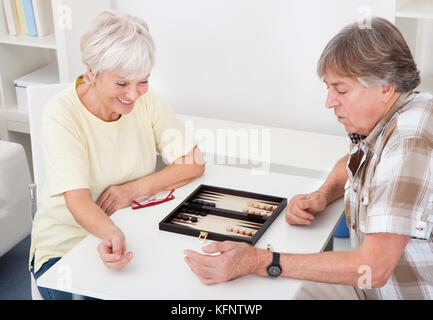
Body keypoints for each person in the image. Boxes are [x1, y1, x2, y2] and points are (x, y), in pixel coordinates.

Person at [184, 17, 433, 300]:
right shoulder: (388, 118)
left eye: (341, 90)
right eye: (328, 88)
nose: (329, 102)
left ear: (386, 86)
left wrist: (259, 261)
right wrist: (323, 194)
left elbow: (373, 267)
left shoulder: (409, 137)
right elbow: (354, 162)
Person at [29, 10, 205, 300]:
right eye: (122, 83)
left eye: (143, 81)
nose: (134, 94)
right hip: (66, 243)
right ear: (91, 72)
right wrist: (110, 234)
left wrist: (132, 190)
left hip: (136, 229)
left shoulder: (147, 100)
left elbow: (193, 162)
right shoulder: (61, 113)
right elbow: (78, 200)